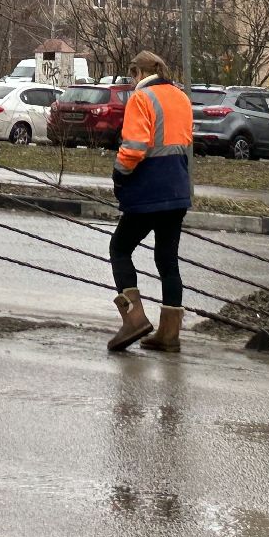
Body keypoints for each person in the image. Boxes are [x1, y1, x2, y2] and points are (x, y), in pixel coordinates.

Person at [107, 50, 193, 353]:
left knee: (119, 248)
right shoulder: (181, 97)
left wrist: (119, 175)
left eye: (133, 76)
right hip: (178, 189)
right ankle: (169, 335)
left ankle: (134, 320)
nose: (133, 83)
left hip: (147, 191)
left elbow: (134, 148)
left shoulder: (141, 99)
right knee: (167, 261)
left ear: (138, 73)